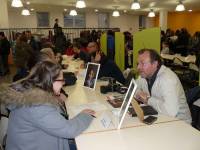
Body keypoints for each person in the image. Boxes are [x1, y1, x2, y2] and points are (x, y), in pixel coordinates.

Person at [0, 60, 95, 150]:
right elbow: (69, 130)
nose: (64, 83)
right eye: (61, 80)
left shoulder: (31, 94)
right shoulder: (37, 105)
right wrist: (85, 115)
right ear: (50, 81)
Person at [135, 49, 191, 123]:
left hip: (179, 123)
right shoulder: (145, 75)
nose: (138, 67)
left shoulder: (168, 79)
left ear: (155, 64)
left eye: (142, 63)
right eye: (138, 63)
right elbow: (134, 88)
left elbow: (170, 111)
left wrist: (148, 100)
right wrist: (139, 93)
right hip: (159, 116)